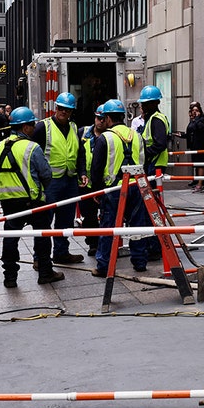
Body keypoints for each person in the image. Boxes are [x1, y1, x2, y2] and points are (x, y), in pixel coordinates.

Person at [0, 107, 64, 288]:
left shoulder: (0, 146)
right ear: (25, 127)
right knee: (42, 236)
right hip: (32, 200)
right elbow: (46, 174)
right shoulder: (32, 147)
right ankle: (45, 273)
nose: (34, 128)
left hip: (8, 201)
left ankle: (9, 277)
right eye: (32, 124)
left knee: (10, 238)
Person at [89, 99, 151, 277]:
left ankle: (104, 265)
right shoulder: (137, 136)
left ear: (108, 118)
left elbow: (96, 168)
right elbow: (143, 162)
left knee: (109, 228)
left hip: (114, 190)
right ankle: (140, 262)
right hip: (137, 186)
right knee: (137, 226)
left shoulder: (105, 138)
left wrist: (97, 191)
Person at [32, 92, 88, 264]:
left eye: (68, 110)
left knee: (65, 219)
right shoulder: (43, 127)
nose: (64, 112)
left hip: (69, 179)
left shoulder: (73, 127)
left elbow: (80, 153)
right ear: (55, 108)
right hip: (50, 182)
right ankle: (39, 258)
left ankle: (61, 252)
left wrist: (82, 172)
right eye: (61, 109)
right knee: (45, 220)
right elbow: (33, 153)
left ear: (72, 112)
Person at [138, 85, 170, 260]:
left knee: (151, 209)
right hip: (152, 166)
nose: (142, 106)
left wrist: (143, 154)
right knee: (150, 208)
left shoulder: (156, 120)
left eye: (145, 103)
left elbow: (159, 145)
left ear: (154, 103)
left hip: (154, 166)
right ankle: (153, 245)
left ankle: (155, 247)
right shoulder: (151, 119)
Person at [78, 104, 107, 256]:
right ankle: (93, 243)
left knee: (106, 214)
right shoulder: (83, 133)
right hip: (86, 183)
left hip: (104, 182)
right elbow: (79, 156)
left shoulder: (110, 136)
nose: (100, 122)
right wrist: (82, 173)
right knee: (89, 216)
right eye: (98, 118)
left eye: (103, 119)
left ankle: (104, 243)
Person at [174, 102, 204, 191]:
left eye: (196, 110)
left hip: (201, 145)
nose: (194, 112)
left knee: (201, 165)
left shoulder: (203, 119)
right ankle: (197, 181)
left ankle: (200, 184)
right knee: (196, 164)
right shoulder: (192, 121)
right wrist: (181, 135)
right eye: (193, 110)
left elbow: (200, 128)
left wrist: (197, 118)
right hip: (193, 146)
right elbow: (190, 133)